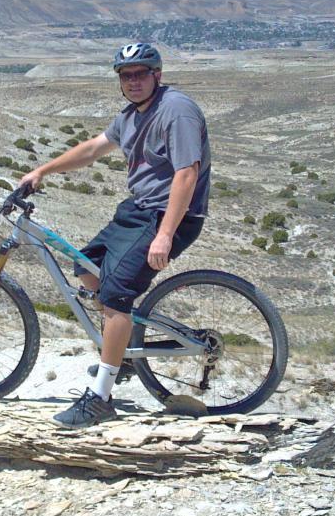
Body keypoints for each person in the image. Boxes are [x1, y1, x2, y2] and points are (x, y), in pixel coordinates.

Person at [18, 43, 211, 428]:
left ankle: (101, 399)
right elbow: (92, 149)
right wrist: (43, 170)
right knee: (86, 267)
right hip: (138, 210)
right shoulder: (130, 116)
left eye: (141, 73)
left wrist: (165, 236)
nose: (134, 81)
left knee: (115, 296)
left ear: (157, 74)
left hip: (169, 215)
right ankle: (118, 354)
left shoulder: (176, 110)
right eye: (126, 76)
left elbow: (186, 174)